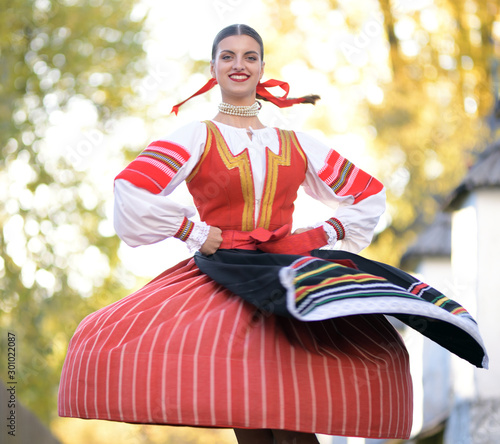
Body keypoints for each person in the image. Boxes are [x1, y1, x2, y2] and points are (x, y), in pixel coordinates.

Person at [58, 24, 487, 444]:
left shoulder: (296, 142)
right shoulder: (197, 136)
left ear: (263, 67)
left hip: (286, 277)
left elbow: (368, 193)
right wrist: (193, 231)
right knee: (248, 405)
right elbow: (131, 188)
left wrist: (323, 231)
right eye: (228, 56)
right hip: (223, 279)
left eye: (249, 56)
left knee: (292, 414)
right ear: (213, 68)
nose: (238, 64)